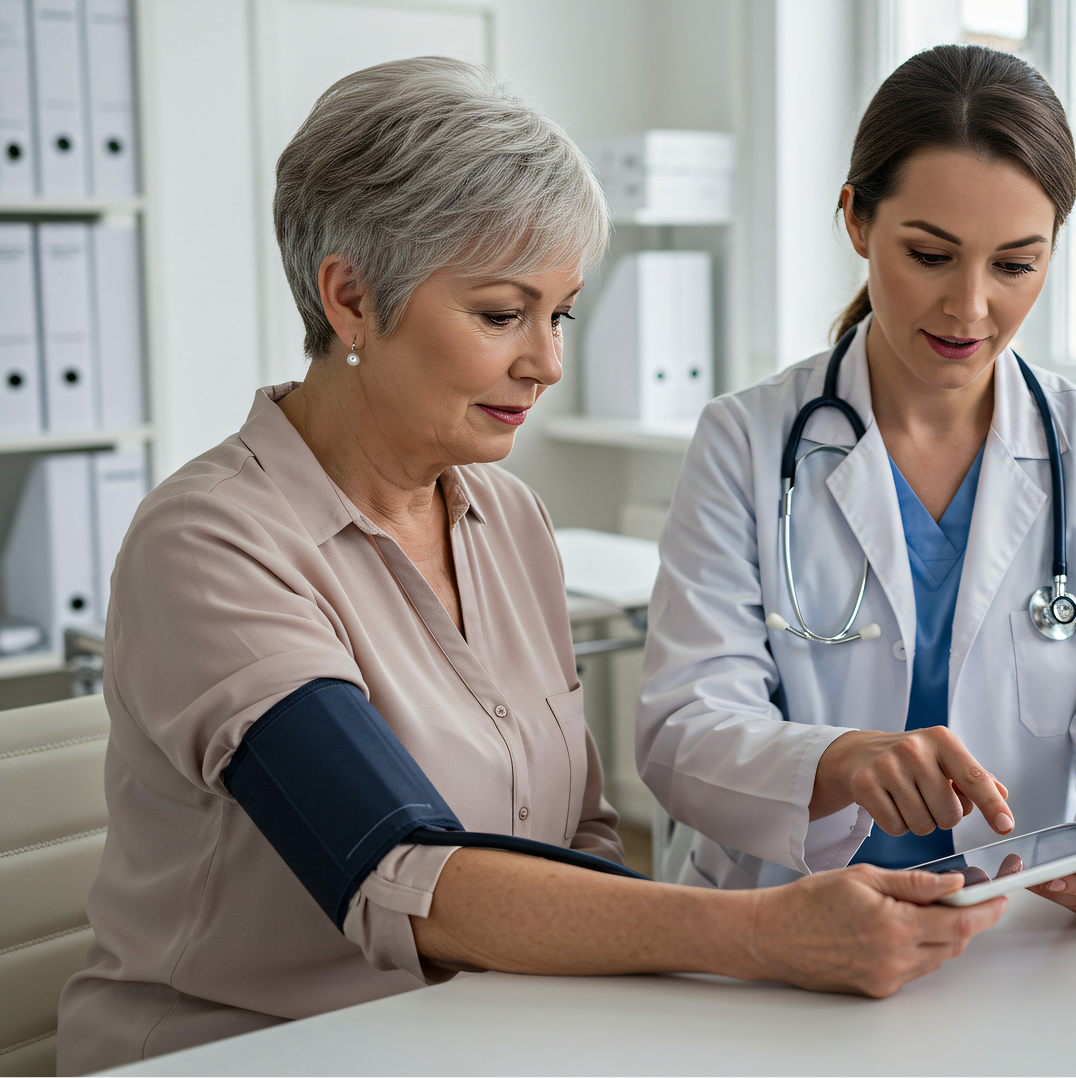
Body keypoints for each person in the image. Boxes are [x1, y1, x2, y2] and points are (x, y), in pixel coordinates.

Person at [55, 57, 1004, 1076]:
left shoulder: (508, 521)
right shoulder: (209, 542)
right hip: (244, 1051)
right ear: (350, 297)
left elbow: (581, 832)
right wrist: (759, 934)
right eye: (503, 314)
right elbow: (390, 863)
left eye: (561, 313)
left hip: (484, 1041)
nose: (548, 363)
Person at [637, 45, 1076, 921]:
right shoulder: (748, 441)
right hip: (792, 920)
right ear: (856, 221)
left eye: (1015, 265)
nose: (971, 307)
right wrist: (836, 762)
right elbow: (684, 726)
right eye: (930, 254)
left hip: (1017, 926)